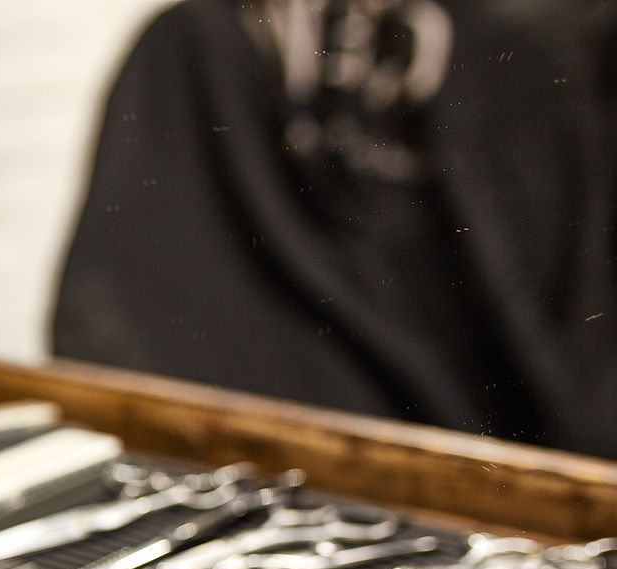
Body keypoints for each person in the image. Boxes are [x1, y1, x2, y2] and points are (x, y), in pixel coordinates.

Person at [52, 0, 617, 456]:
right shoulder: (194, 45)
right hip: (272, 469)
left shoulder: (546, 45)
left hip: (516, 476)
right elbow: (118, 330)